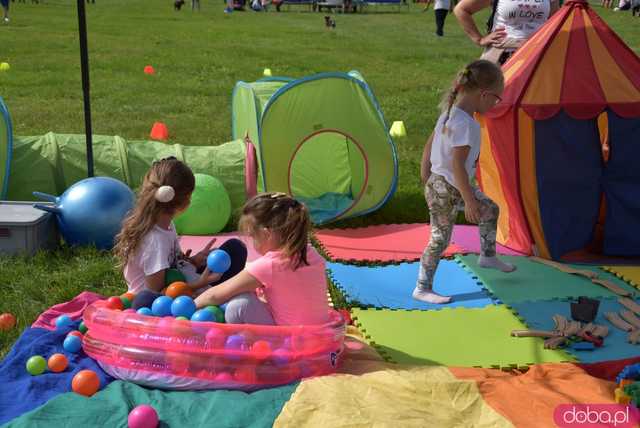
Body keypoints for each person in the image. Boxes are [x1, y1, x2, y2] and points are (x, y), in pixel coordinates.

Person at [414, 60, 516, 305]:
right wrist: (469, 201)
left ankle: (488, 256)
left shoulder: (449, 113)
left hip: (444, 184)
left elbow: (430, 145)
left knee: (490, 209)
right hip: (447, 188)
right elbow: (458, 165)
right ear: (483, 94)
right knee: (440, 239)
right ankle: (422, 287)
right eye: (496, 99)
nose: (495, 104)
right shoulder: (467, 124)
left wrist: (425, 174)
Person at [113, 157, 247, 310]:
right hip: (156, 302)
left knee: (235, 248)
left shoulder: (166, 224)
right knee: (146, 299)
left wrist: (193, 261)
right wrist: (199, 284)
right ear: (185, 202)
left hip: (180, 281)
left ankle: (213, 294)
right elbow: (156, 291)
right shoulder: (155, 240)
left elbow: (172, 265)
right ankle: (211, 297)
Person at [194, 192, 330, 326]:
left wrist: (187, 309)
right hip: (319, 337)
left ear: (266, 234)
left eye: (253, 236)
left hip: (288, 342)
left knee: (240, 304)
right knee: (249, 292)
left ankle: (243, 342)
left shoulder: (270, 265)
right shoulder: (312, 255)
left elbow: (214, 295)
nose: (252, 242)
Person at [454, 0, 559, 64]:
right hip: (502, 54)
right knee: (495, 97)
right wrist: (479, 39)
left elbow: (554, 19)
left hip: (537, 54)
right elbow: (461, 10)